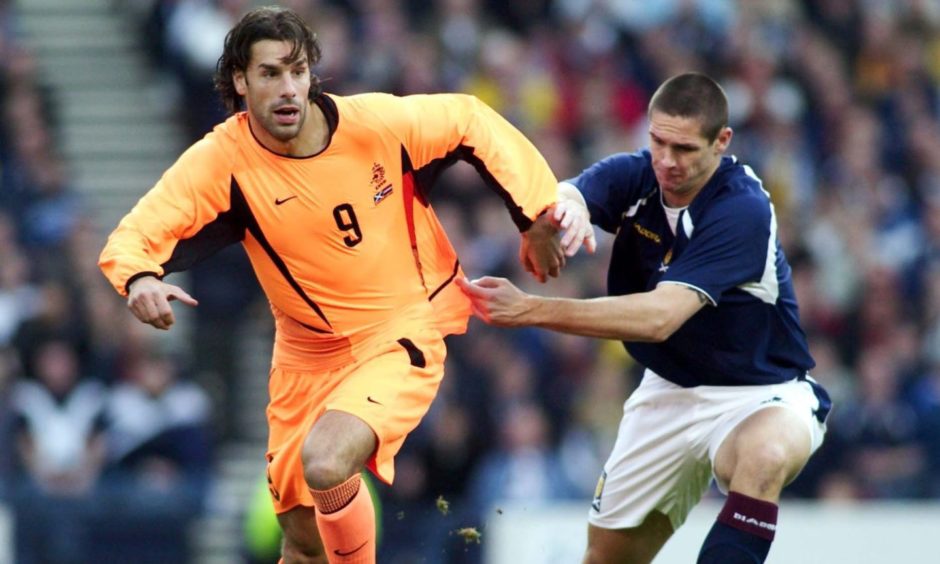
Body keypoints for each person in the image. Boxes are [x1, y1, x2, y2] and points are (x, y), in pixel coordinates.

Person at [97, 6, 593, 564]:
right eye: (269, 74)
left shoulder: (374, 126)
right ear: (240, 80)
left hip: (398, 333)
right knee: (303, 543)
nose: (287, 89)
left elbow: (470, 118)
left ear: (312, 73)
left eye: (296, 71)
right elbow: (134, 235)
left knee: (328, 461)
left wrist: (535, 214)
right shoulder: (222, 160)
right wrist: (138, 276)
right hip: (303, 359)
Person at [457, 72, 832, 564]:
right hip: (668, 390)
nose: (667, 161)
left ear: (722, 143)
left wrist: (530, 309)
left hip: (760, 393)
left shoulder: (742, 209)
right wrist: (547, 221)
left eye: (684, 148)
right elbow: (569, 194)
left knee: (764, 456)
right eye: (657, 142)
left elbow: (659, 317)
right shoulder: (638, 175)